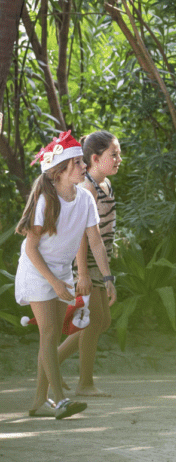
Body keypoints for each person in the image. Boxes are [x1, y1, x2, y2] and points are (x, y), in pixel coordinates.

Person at [14, 131, 117, 419]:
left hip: (60, 271)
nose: (83, 166)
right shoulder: (46, 202)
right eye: (77, 163)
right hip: (38, 271)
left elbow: (95, 241)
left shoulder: (84, 199)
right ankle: (59, 400)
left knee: (52, 333)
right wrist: (54, 282)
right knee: (48, 333)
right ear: (60, 172)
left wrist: (107, 279)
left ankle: (38, 402)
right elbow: (32, 249)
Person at [57, 131, 121, 396]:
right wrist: (82, 274)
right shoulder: (88, 189)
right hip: (83, 264)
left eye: (118, 153)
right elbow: (83, 237)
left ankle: (50, 364)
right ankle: (84, 383)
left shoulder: (104, 185)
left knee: (101, 321)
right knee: (92, 321)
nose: (119, 159)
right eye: (113, 155)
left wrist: (107, 276)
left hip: (98, 261)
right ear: (95, 158)